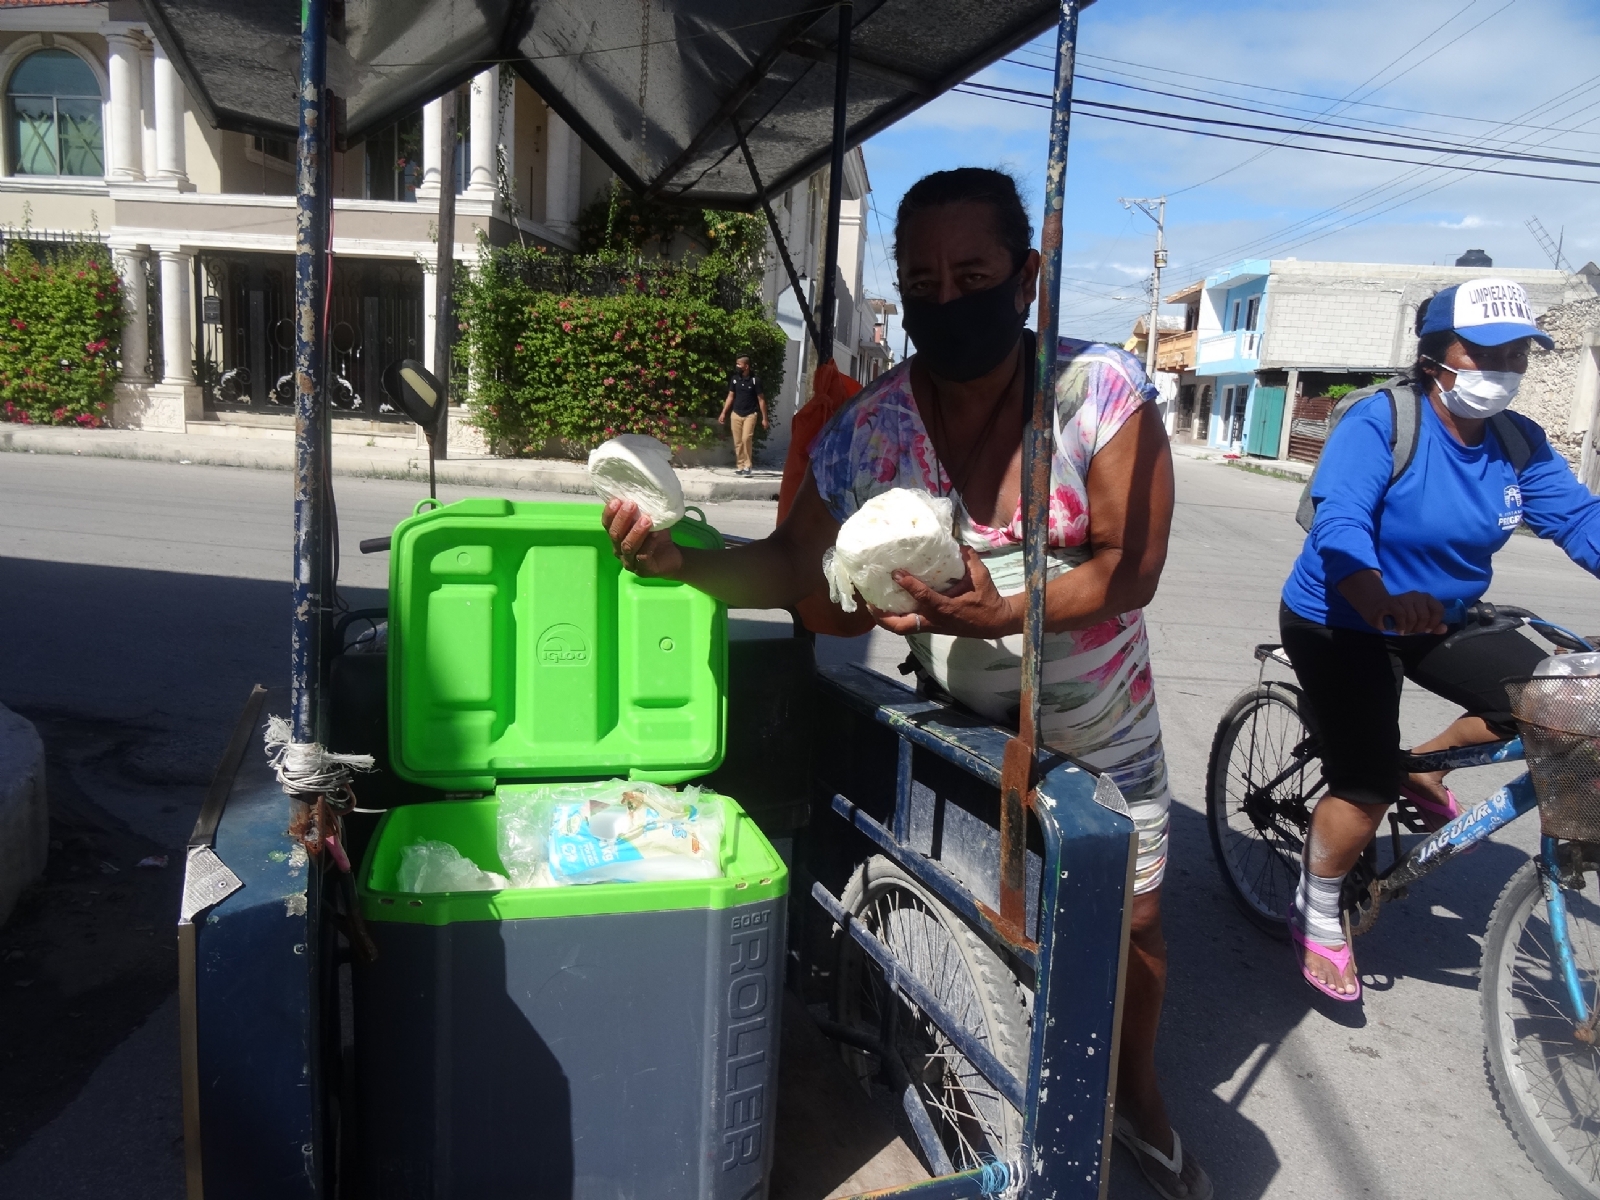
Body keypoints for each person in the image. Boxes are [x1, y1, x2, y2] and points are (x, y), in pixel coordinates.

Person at [604, 168, 1210, 1200]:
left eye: (971, 272)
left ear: (1022, 279)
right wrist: (689, 566)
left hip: (1103, 724)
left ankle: (1136, 1093)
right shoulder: (867, 430)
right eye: (920, 279)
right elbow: (802, 570)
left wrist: (1004, 611)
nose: (945, 297)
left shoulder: (1098, 393)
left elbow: (1128, 566)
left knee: (1134, 925)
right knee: (1001, 914)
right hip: (962, 720)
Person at [1280, 278, 1600, 1002]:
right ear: (1435, 355)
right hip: (1343, 617)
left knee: (1564, 700)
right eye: (1485, 350)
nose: (1504, 367)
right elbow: (1341, 525)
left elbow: (1581, 522)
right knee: (1360, 785)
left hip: (1443, 617)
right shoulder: (1380, 421)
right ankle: (1319, 905)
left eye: (1518, 351)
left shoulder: (1516, 440)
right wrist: (1379, 597)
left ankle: (1422, 769)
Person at [718, 355, 768, 476]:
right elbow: (730, 396)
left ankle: (748, 465)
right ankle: (740, 466)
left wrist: (765, 418)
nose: (737, 367)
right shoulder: (735, 379)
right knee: (738, 441)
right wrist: (724, 412)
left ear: (746, 366)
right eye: (737, 364)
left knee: (746, 438)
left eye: (739, 364)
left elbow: (761, 400)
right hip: (736, 414)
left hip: (750, 414)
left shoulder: (755, 380)